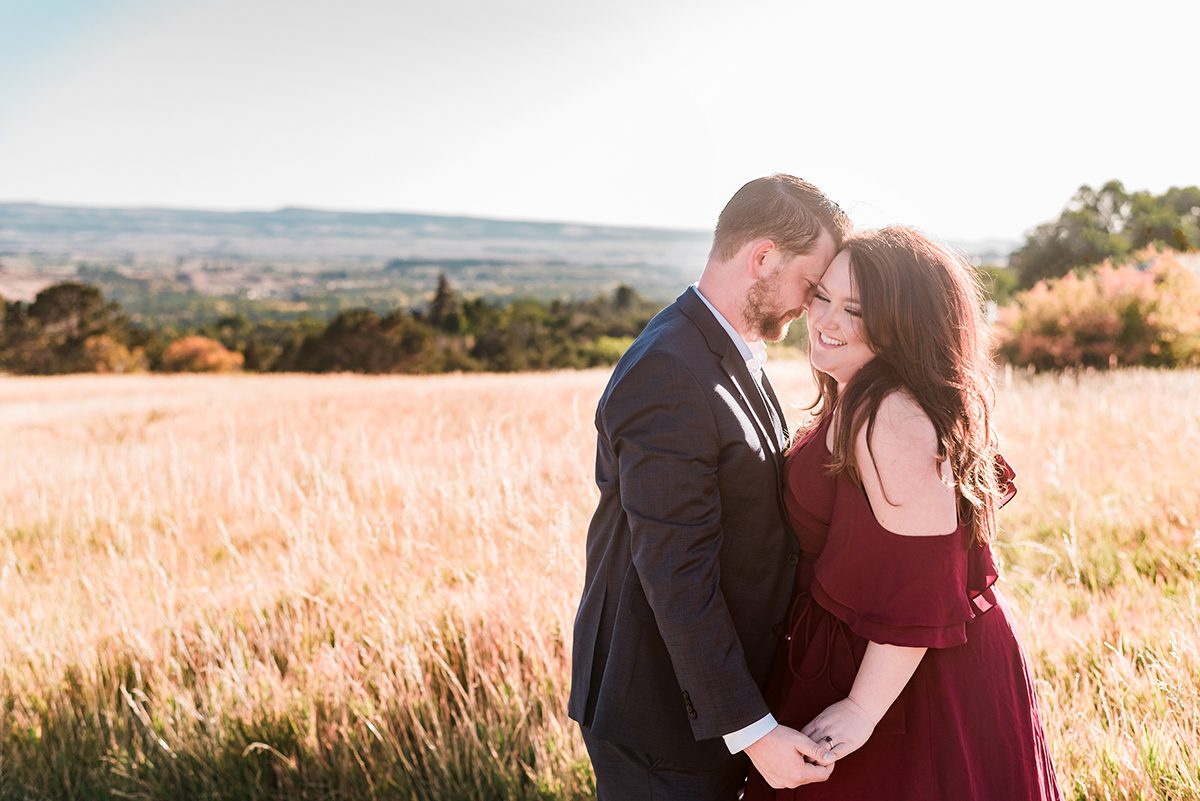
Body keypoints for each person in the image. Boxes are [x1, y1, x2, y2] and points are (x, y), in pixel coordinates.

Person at [743, 226, 1062, 799]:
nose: (827, 321)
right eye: (823, 297)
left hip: (909, 684)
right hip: (878, 659)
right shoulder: (863, 390)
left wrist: (863, 709)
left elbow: (925, 579)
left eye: (855, 310)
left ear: (904, 325)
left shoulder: (889, 413)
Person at [567, 174, 852, 800]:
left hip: (701, 707)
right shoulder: (669, 370)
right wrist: (751, 731)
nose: (811, 308)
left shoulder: (721, 349)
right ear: (763, 259)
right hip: (660, 719)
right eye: (811, 286)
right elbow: (675, 571)